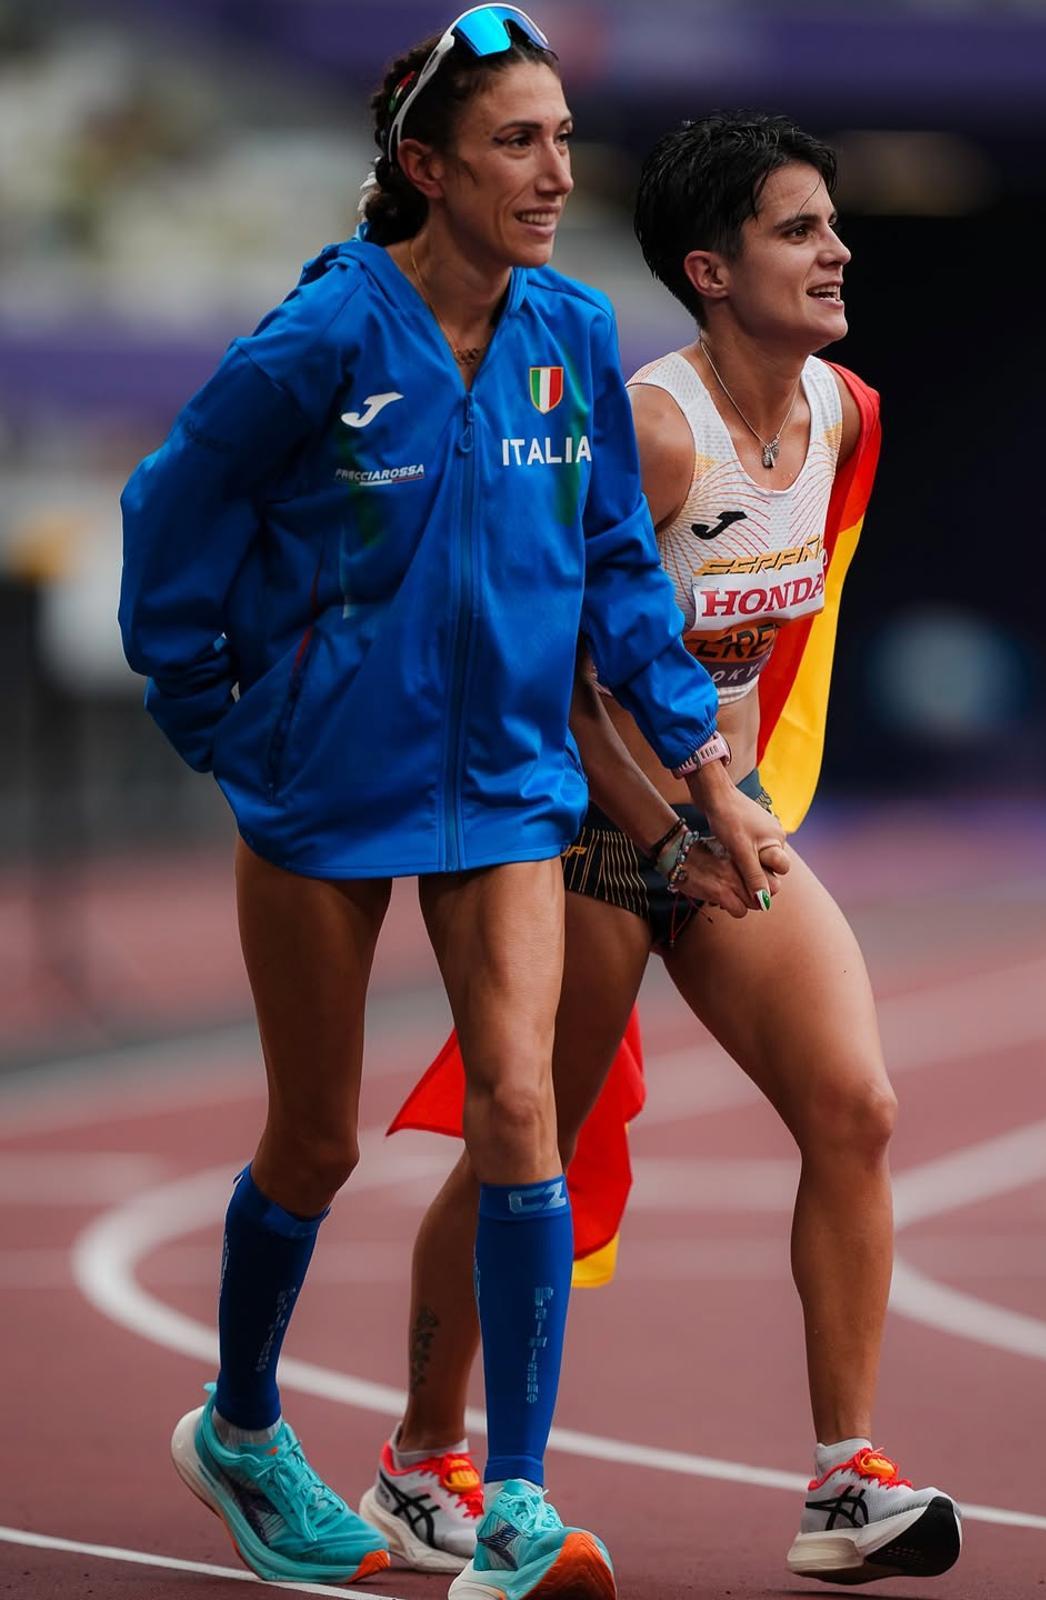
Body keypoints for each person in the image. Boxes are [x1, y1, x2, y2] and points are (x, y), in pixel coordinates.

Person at [118, 13, 786, 1595]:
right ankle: (244, 1427)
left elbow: (621, 574)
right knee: (315, 1143)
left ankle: (517, 1500)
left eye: (563, 138)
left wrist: (704, 770)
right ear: (424, 167)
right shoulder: (320, 340)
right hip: (322, 790)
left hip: (508, 788)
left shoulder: (569, 331)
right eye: (516, 143)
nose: (556, 171)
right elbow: (170, 512)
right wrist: (217, 717)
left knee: (518, 1114)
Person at [364, 112, 964, 1587]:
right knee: (530, 1148)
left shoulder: (846, 415)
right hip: (575, 823)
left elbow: (782, 644)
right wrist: (666, 828)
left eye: (833, 225)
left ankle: (843, 1481)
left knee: (858, 1106)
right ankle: (421, 1463)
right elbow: (560, 666)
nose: (836, 252)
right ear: (711, 267)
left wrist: (743, 809)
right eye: (797, 229)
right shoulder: (644, 428)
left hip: (720, 821)